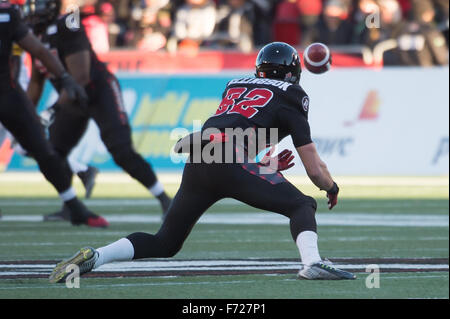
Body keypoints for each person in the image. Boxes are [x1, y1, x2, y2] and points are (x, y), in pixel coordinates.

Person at [49, 42, 356, 282]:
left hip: (202, 154)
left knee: (165, 242)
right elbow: (313, 168)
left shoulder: (237, 85)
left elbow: (235, 128)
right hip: (229, 159)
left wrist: (262, 167)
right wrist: (331, 186)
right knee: (302, 205)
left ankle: (98, 256)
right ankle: (312, 263)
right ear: (292, 73)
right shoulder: (293, 94)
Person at [23, 0, 172, 222]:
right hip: (72, 100)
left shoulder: (67, 24)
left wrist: (52, 110)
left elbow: (81, 77)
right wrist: (25, 116)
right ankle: (70, 205)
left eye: (39, 6)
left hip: (97, 90)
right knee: (52, 153)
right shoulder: (35, 37)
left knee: (122, 151)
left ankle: (166, 201)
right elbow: (36, 82)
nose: (33, 12)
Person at [0, 0, 108, 227]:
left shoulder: (8, 13)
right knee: (39, 149)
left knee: (43, 149)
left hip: (7, 92)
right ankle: (78, 189)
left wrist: (65, 77)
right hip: (9, 91)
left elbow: (37, 50)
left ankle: (75, 207)